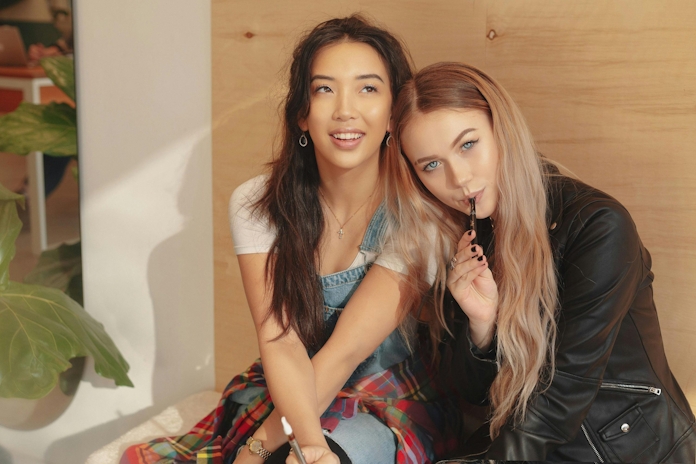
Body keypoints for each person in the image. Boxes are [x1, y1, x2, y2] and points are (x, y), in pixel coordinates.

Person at [123, 16, 460, 464]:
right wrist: (283, 444)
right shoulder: (257, 204)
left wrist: (266, 448)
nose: (345, 110)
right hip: (290, 387)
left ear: (393, 114)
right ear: (302, 112)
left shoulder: (419, 220)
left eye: (367, 88)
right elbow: (279, 341)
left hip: (387, 400)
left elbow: (344, 354)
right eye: (324, 89)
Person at [389, 62, 696, 462]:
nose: (459, 178)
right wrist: (482, 326)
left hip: (628, 448)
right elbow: (472, 392)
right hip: (536, 443)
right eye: (431, 165)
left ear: (502, 129)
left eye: (468, 144)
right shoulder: (470, 234)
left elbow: (563, 392)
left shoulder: (598, 225)